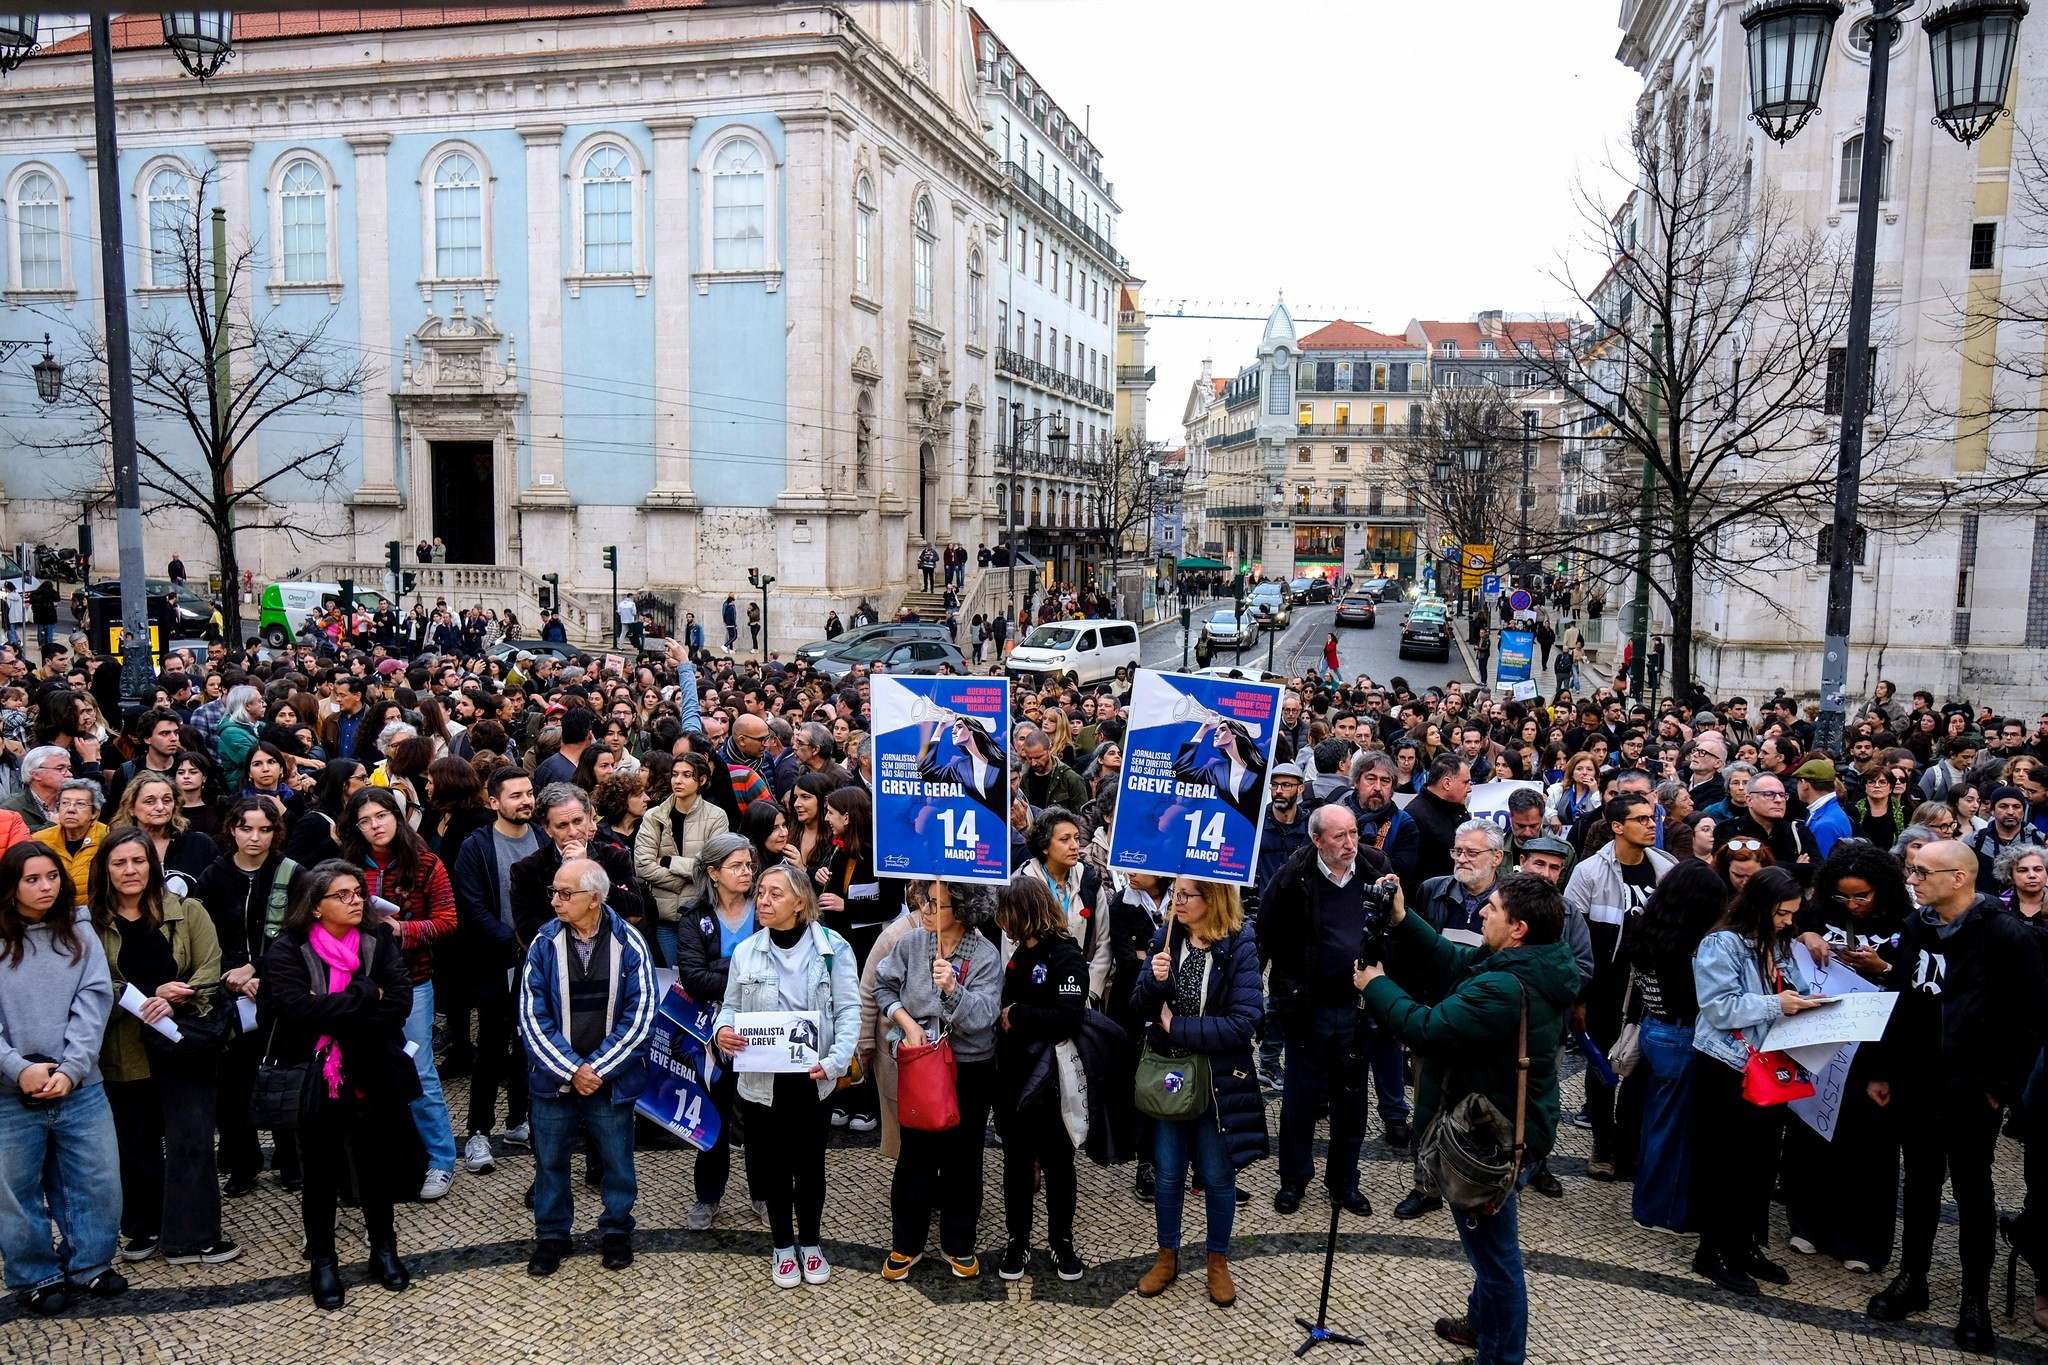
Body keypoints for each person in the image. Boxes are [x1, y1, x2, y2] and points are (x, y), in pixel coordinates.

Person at [1359, 873, 1580, 1365]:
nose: (1481, 912)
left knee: (1496, 1260)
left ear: (1518, 927)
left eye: (1493, 908)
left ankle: (1500, 1357)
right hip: (1517, 1123)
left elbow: (1428, 1028)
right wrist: (1402, 917)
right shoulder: (1537, 961)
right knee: (1490, 1248)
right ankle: (1481, 1323)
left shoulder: (1504, 987)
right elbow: (1456, 960)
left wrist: (1376, 986)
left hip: (1488, 1143)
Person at [1865, 838, 2048, 1352]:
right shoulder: (1916, 926)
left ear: (1959, 878)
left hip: (1972, 1089)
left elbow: (2032, 1021)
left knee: (1973, 1192)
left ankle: (1975, 1301)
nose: (1914, 880)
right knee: (1919, 1185)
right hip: (1917, 1082)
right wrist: (1882, 1069)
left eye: (1924, 872)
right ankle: (1912, 1279)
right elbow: (1899, 1001)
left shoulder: (2006, 936)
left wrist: (1998, 1087)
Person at [262, 860, 419, 1309]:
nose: (356, 901)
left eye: (358, 893)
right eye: (343, 895)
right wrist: (366, 994)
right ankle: (324, 1261)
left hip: (372, 1070)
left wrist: (332, 1006)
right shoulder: (287, 949)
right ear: (315, 907)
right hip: (316, 1077)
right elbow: (294, 1010)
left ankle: (383, 1250)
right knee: (321, 1171)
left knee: (375, 1167)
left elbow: (401, 1004)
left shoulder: (378, 940)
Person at [86, 826, 238, 1267]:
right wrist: (141, 997)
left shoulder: (188, 912)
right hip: (124, 1046)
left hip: (183, 1042)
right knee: (136, 1142)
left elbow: (211, 969)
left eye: (138, 861)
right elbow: (92, 983)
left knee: (191, 1139)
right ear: (106, 870)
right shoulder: (91, 924)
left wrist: (179, 994)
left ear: (152, 866)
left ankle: (196, 1234)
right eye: (119, 863)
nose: (130, 870)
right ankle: (143, 1226)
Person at [712, 864, 860, 1288]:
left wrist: (835, 1061)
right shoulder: (748, 951)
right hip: (762, 1076)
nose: (763, 900)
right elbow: (731, 1007)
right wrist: (722, 1030)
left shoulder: (834, 949)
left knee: (810, 1166)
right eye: (761, 892)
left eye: (775, 894)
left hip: (814, 1076)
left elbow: (849, 1011)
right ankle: (781, 1246)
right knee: (772, 1165)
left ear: (800, 902)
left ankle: (810, 1245)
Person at [1129, 878, 1267, 1308]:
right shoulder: (1165, 937)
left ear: (1214, 899)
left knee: (1217, 1174)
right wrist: (1153, 983)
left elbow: (1245, 1022)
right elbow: (1138, 1007)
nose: (1177, 902)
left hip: (1218, 1078)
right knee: (1168, 1172)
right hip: (1168, 1074)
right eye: (1176, 895)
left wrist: (1178, 1026)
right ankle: (1166, 1255)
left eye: (1187, 896)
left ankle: (1217, 1261)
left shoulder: (1239, 945)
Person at [1688, 866, 1825, 1296]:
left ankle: (1745, 1245)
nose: (1789, 921)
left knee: (1762, 1163)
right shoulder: (1720, 944)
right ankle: (1712, 1252)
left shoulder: (1779, 941)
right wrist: (1778, 1004)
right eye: (1783, 914)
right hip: (1727, 1067)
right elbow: (1719, 1007)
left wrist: (1811, 1002)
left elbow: (1794, 988)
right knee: (1726, 1163)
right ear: (1761, 907)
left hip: (1770, 1066)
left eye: (1793, 914)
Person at [0, 841, 125, 1314]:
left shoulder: (80, 931)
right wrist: (19, 1068)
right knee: (14, 1191)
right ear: (11, 886)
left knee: (96, 1181)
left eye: (52, 876)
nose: (45, 887)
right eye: (32, 879)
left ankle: (89, 1264)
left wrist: (72, 1068)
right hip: (10, 1090)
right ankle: (35, 1274)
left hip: (79, 1084)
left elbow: (94, 1000)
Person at [518, 857, 657, 1277]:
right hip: (555, 1079)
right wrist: (572, 1070)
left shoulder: (629, 943)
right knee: (550, 1162)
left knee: (617, 1161)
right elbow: (530, 1016)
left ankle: (616, 1230)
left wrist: (597, 1068)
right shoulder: (542, 944)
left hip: (608, 1080)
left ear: (595, 899)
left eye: (565, 893)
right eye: (553, 893)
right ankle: (552, 1235)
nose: (556, 901)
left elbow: (642, 1014)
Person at [1254, 802, 1392, 1217]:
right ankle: (1293, 1179)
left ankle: (1344, 1182)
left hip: (1357, 1009)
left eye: (1353, 833)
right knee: (1300, 1099)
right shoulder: (1293, 877)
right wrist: (1279, 993)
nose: (1351, 843)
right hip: (1307, 1009)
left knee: (1351, 1101)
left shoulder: (1374, 868)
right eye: (1340, 836)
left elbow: (1396, 927)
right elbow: (1267, 932)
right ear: (1316, 840)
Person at [1782, 842, 1913, 1274]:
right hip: (1823, 1043)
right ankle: (1808, 1222)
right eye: (1844, 896)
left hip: (1876, 1049)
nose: (1852, 904)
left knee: (1869, 1147)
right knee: (1810, 1136)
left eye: (1862, 896)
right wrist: (1807, 933)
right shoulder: (1820, 912)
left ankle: (1862, 1239)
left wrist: (1884, 970)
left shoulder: (1907, 925)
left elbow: (1917, 994)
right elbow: (1789, 938)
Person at [872, 878, 1003, 1281]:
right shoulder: (911, 944)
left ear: (962, 911)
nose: (925, 910)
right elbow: (882, 985)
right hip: (920, 1063)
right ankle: (906, 1241)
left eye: (936, 904)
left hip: (968, 1067)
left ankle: (959, 1240)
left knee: (964, 1156)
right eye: (924, 901)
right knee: (916, 1153)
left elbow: (984, 1018)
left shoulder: (985, 955)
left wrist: (953, 991)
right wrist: (906, 1021)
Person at [341, 786, 460, 1200]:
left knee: (419, 1068)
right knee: (364, 1071)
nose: (375, 826)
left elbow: (447, 922)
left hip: (413, 981)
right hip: (357, 983)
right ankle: (388, 1157)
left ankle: (441, 1159)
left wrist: (401, 930)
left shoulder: (426, 862)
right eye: (365, 820)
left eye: (381, 816)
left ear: (398, 815)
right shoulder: (348, 865)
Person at [1563, 790, 1674, 1180]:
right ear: (1616, 826)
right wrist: (1579, 996)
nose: (1651, 824)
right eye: (1641, 819)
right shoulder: (1590, 871)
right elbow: (1573, 935)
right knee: (1601, 1065)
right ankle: (1604, 1144)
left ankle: (1628, 1145)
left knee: (1640, 1066)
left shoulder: (1665, 867)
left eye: (1652, 817)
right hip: (1605, 985)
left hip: (1649, 987)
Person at [192, 797, 300, 1197]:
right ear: (232, 829)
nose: (255, 837)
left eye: (264, 829)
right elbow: (203, 936)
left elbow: (299, 931)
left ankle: (292, 1159)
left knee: (284, 1073)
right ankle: (242, 1161)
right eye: (246, 828)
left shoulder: (291, 873)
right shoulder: (213, 875)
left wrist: (257, 970)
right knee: (234, 1084)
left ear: (276, 832)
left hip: (280, 990)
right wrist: (230, 974)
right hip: (229, 994)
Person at [990, 876, 1089, 1284]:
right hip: (1013, 1080)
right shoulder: (1018, 955)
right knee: (1015, 1164)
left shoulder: (1066, 956)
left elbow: (1067, 1017)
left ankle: (1061, 1241)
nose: (1002, 923)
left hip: (1051, 1082)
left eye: (1008, 914)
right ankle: (1018, 1240)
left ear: (1025, 914)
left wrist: (1018, 1016)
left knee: (1058, 1163)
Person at [1626, 859, 1725, 1236]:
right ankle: (1663, 1212)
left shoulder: (1649, 929)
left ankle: (1649, 1202)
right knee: (1676, 1132)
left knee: (1658, 1123)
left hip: (1655, 1027)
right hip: (1682, 1035)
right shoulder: (1693, 945)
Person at [673, 833, 762, 1230]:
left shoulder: (765, 907)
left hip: (763, 1028)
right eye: (737, 866)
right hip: (712, 1033)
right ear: (713, 872)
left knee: (762, 1116)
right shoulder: (695, 916)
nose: (747, 873)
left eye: (749, 865)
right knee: (716, 1114)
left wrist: (723, 970)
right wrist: (746, 972)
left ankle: (764, 1192)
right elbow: (693, 979)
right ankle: (709, 1197)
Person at [635, 750, 731, 968]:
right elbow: (642, 865)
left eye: (687, 775)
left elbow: (713, 865)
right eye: (675, 774)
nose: (678, 780)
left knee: (698, 974)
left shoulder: (716, 816)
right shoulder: (654, 815)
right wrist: (685, 879)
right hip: (664, 918)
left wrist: (669, 862)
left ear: (702, 780)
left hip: (700, 912)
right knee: (673, 978)